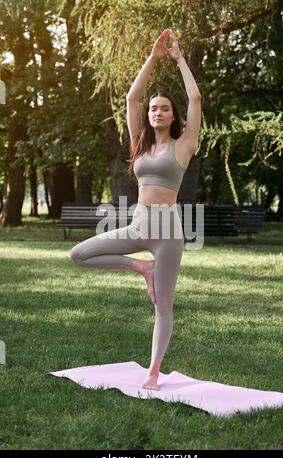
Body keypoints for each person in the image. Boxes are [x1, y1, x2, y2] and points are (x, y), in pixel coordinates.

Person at [70, 28, 201, 391]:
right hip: (138, 226)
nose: (157, 111)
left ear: (173, 117)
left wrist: (178, 60)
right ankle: (140, 267)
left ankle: (154, 371)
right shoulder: (139, 146)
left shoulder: (184, 145)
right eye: (154, 108)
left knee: (163, 306)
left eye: (164, 108)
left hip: (168, 235)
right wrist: (153, 56)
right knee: (80, 253)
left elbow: (195, 97)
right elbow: (131, 97)